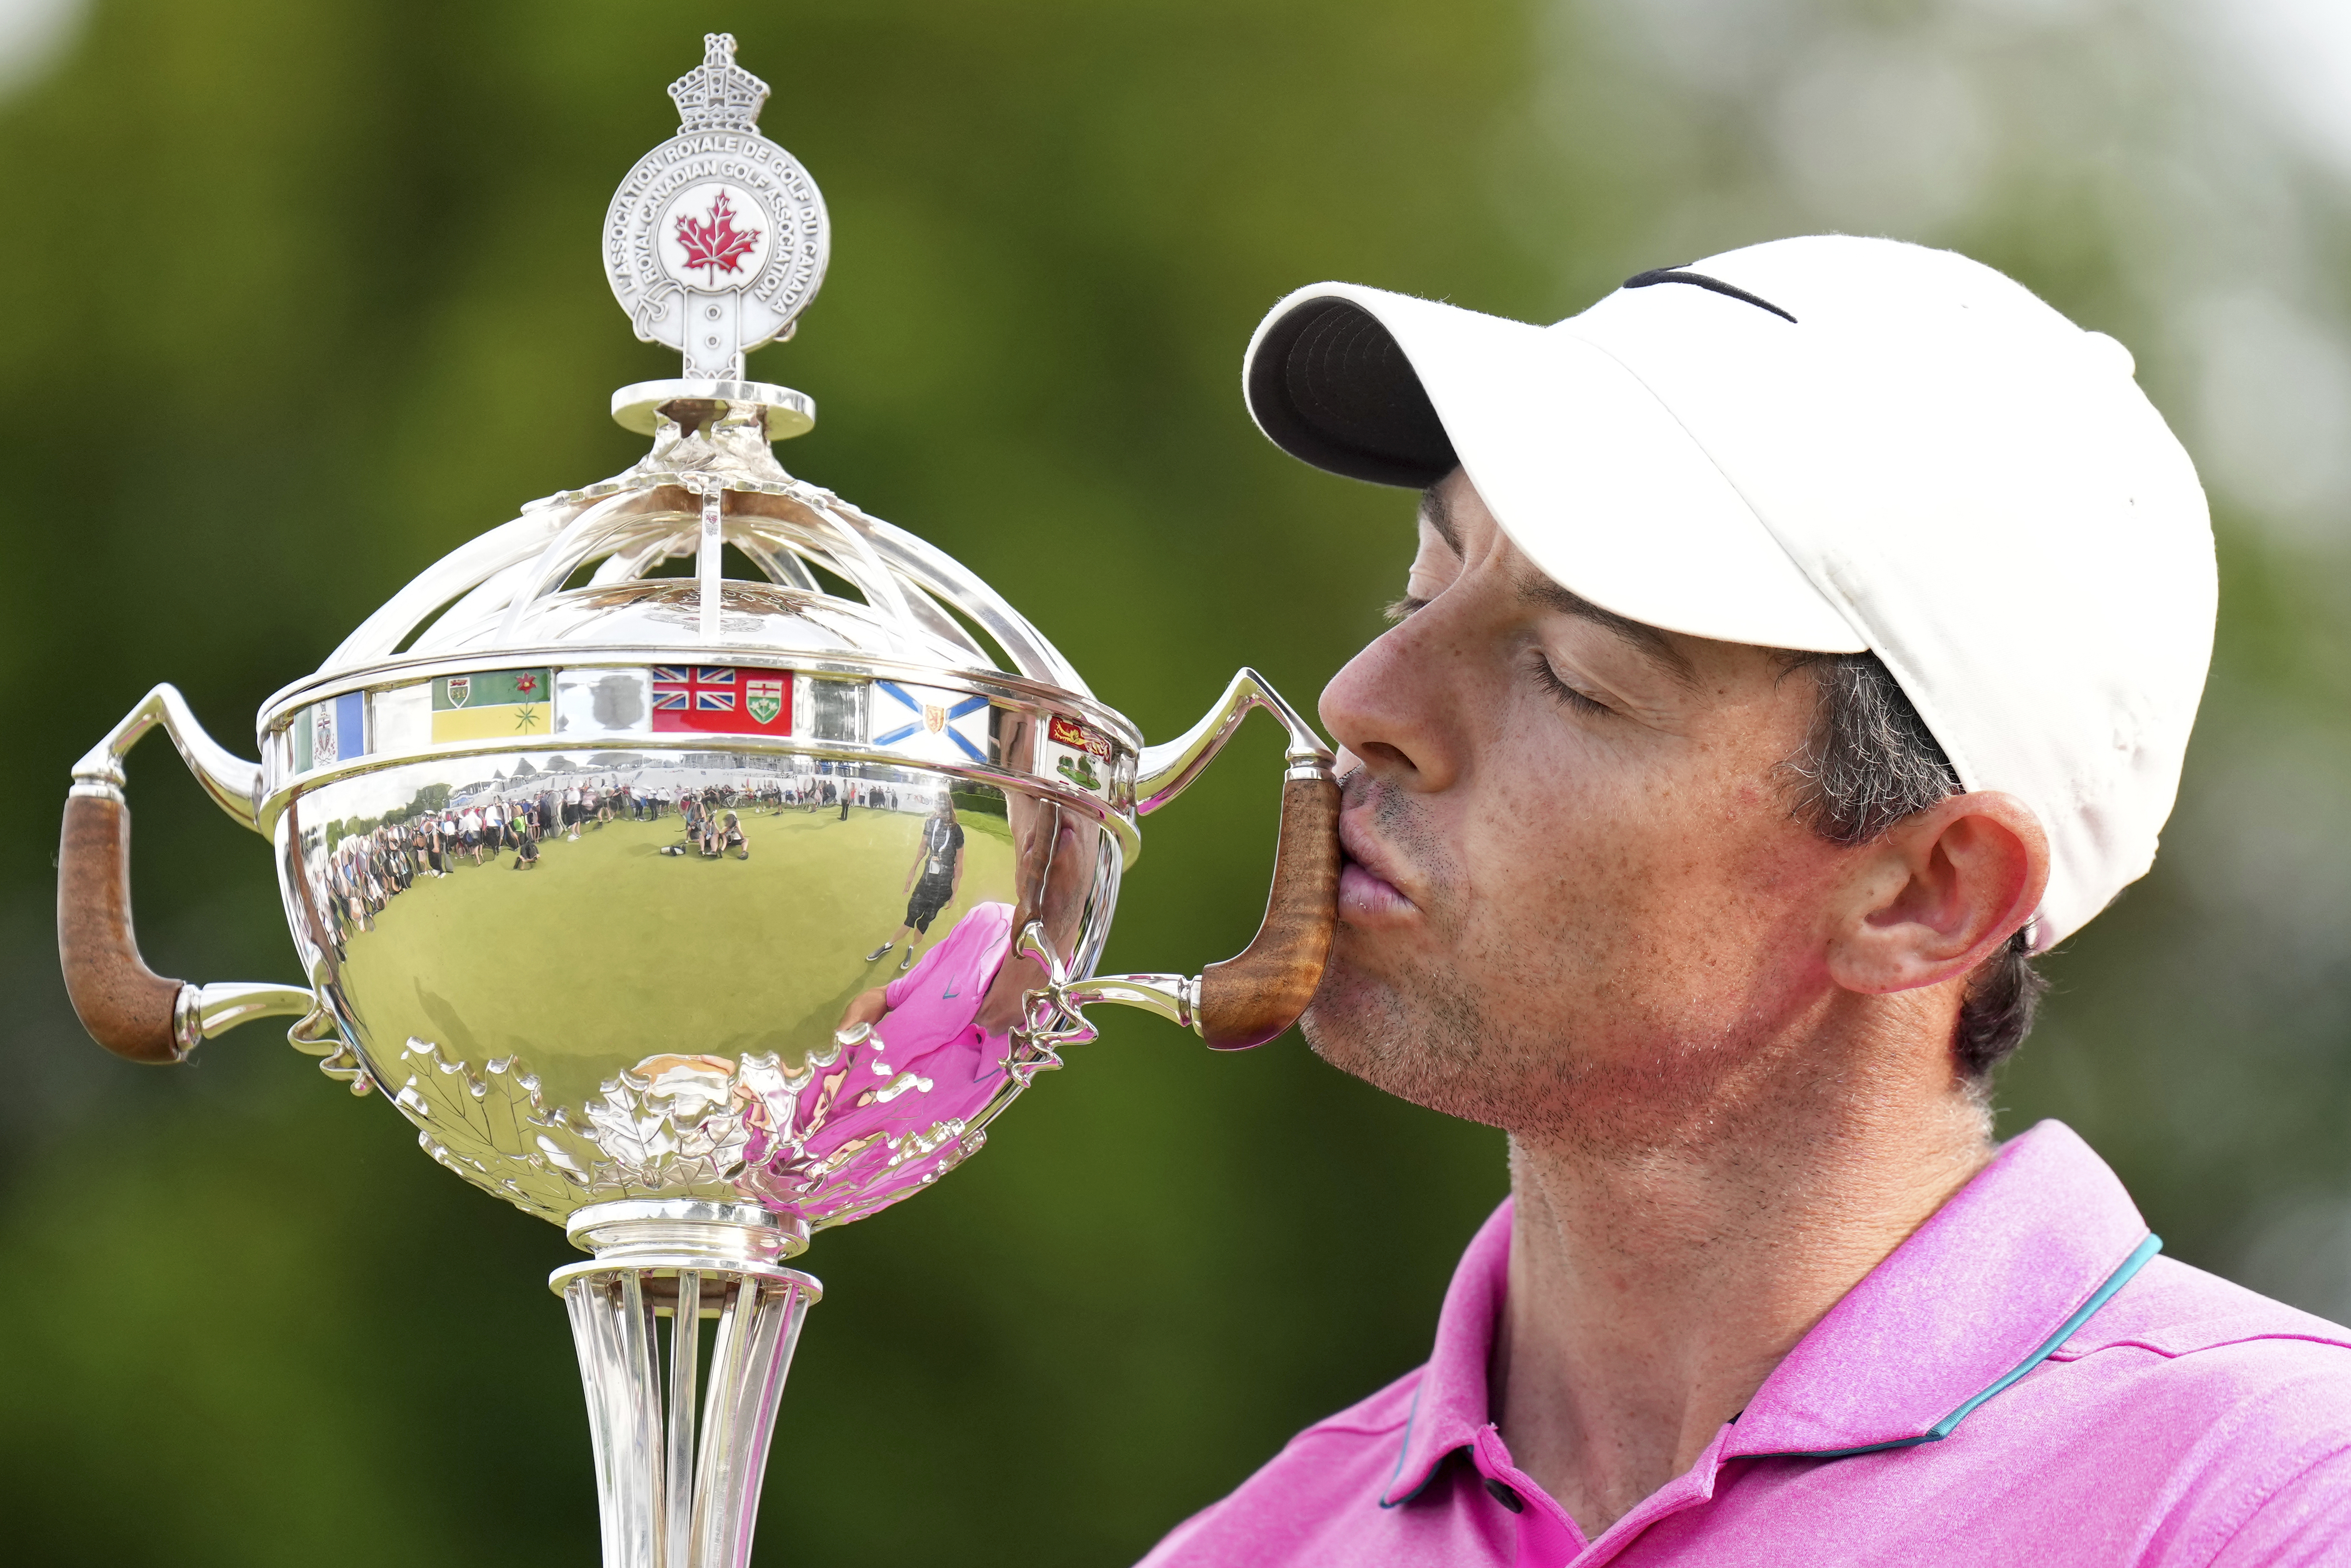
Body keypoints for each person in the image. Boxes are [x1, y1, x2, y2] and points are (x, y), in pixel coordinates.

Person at [1138, 238, 2351, 1565]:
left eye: (1572, 672)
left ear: (1927, 892)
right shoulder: (1247, 1545)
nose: (1365, 699)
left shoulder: (2277, 1504)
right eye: (1422, 587)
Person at [865, 797, 964, 971]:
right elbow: (922, 848)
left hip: (943, 888)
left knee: (924, 922)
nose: (937, 808)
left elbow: (960, 863)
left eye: (940, 805)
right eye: (936, 805)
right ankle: (889, 944)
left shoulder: (957, 831)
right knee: (911, 917)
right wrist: (912, 872)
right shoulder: (931, 823)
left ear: (948, 806)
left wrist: (955, 891)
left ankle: (912, 947)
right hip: (926, 881)